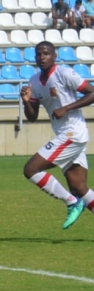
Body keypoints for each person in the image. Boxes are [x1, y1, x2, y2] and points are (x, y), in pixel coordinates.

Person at [20, 41, 94, 229]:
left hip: (72, 133)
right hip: (66, 134)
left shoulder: (64, 73)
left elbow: (92, 93)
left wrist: (66, 108)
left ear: (54, 56)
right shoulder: (35, 81)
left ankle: (71, 202)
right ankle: (75, 198)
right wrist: (26, 102)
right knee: (78, 186)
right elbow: (32, 117)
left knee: (30, 170)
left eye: (46, 53)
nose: (42, 57)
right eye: (38, 54)